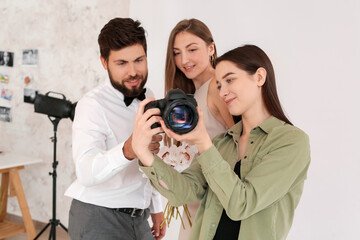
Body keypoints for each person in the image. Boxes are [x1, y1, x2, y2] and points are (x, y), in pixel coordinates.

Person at [132, 45, 311, 240]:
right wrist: (144, 153)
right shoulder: (221, 143)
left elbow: (241, 204)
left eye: (230, 80)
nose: (223, 91)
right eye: (218, 85)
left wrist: (202, 142)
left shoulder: (291, 142)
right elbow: (182, 193)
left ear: (259, 77)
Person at [65, 18, 166, 240]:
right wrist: (129, 149)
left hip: (139, 217)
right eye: (121, 63)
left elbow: (150, 158)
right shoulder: (91, 105)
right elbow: (86, 171)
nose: (133, 72)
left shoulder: (148, 96)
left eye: (138, 60)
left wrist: (156, 205)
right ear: (104, 62)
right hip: (98, 217)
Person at [162, 18, 234, 239]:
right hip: (194, 199)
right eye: (176, 53)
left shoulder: (216, 87)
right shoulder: (188, 96)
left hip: (215, 200)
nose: (184, 59)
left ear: (211, 48)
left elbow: (242, 142)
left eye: (192, 49)